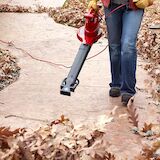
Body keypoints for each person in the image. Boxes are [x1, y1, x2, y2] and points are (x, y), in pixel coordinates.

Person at [88, 0, 145, 105]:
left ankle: (128, 89)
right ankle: (116, 83)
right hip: (111, 6)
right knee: (114, 47)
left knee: (128, 46)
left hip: (134, 6)